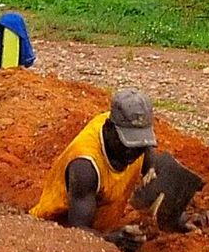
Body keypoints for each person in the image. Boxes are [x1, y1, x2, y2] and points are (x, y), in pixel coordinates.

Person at [29, 89, 158, 231]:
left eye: (139, 144)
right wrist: (114, 240)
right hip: (53, 233)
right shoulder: (85, 167)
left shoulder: (128, 129)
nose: (133, 152)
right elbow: (78, 232)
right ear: (109, 129)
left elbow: (146, 146)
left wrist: (151, 167)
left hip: (101, 229)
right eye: (127, 142)